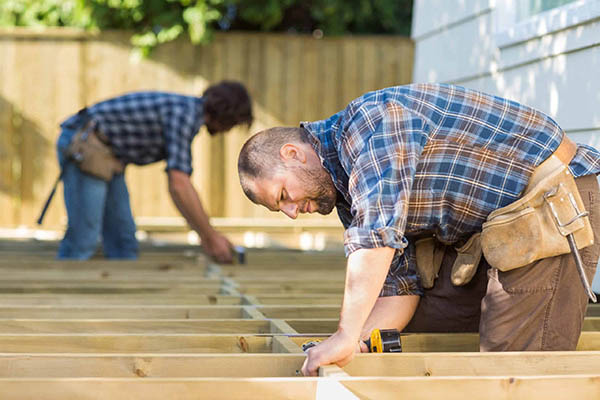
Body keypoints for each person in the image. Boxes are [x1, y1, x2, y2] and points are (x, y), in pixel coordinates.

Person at [237, 83, 600, 376]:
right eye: (279, 208)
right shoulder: (348, 194)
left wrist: (345, 333)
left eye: (283, 195)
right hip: (499, 234)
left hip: (551, 206)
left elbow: (376, 234)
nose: (290, 213)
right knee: (428, 321)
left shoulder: (369, 124)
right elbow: (400, 287)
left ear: (292, 153)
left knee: (511, 371)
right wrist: (357, 343)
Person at [56, 81, 252, 262]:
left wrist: (207, 236)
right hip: (85, 144)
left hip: (109, 155)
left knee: (123, 244)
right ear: (227, 114)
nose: (228, 130)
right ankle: (61, 292)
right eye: (233, 124)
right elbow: (179, 185)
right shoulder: (184, 114)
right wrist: (210, 237)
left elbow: (179, 188)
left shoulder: (187, 112)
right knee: (84, 239)